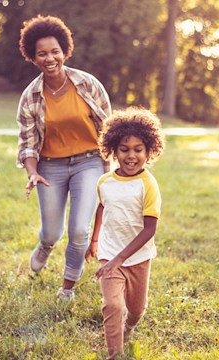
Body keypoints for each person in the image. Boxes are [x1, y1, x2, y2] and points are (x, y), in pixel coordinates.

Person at [16, 15, 112, 302]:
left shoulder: (88, 83)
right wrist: (32, 172)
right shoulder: (31, 96)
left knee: (80, 229)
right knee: (53, 232)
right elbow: (28, 143)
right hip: (50, 166)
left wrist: (117, 164)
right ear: (32, 58)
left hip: (89, 161)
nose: (50, 58)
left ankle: (67, 287)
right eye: (42, 53)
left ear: (65, 51)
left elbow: (109, 127)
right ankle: (45, 247)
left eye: (55, 51)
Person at [85, 107, 165, 359]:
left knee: (136, 309)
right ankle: (114, 354)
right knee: (113, 305)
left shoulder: (148, 185)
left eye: (138, 149)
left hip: (138, 258)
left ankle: (128, 328)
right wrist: (94, 240)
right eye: (124, 149)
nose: (131, 156)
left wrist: (122, 258)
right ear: (113, 150)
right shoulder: (104, 182)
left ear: (148, 151)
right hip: (110, 254)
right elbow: (101, 208)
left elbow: (149, 228)